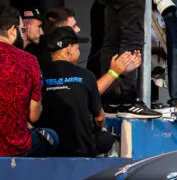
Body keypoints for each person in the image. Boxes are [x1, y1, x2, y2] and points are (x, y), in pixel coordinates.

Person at [38, 27, 120, 157]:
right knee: (108, 138)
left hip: (47, 146)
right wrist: (100, 128)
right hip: (81, 149)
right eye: (77, 48)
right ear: (69, 48)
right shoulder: (85, 75)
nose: (78, 51)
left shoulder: (39, 74)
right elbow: (99, 117)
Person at [0, 6, 58, 157]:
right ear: (13, 30)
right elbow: (33, 116)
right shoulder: (29, 61)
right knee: (52, 137)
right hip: (13, 146)